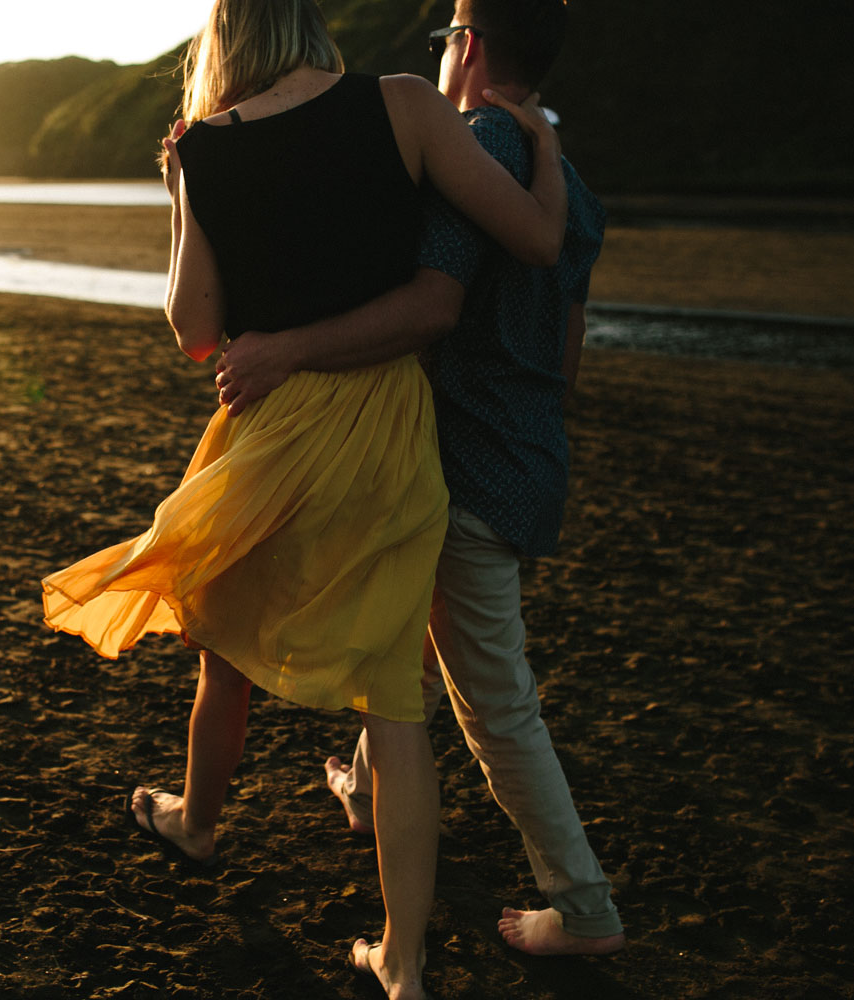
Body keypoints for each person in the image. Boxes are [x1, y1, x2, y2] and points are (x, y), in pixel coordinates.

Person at [41, 1, 565, 995]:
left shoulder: (203, 148)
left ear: (224, 40)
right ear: (309, 22)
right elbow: (536, 243)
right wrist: (537, 143)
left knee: (222, 633)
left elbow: (197, 333)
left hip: (273, 433)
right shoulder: (407, 104)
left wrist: (182, 191)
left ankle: (195, 822)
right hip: (387, 430)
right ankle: (403, 966)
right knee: (395, 698)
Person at [212, 0, 626, 960]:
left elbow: (431, 306)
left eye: (444, 38)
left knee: (495, 702)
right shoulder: (576, 184)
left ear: (469, 47)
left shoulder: (473, 143)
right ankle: (365, 786)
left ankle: (588, 906)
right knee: (404, 623)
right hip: (528, 461)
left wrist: (287, 350)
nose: (440, 55)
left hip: (466, 461)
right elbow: (565, 360)